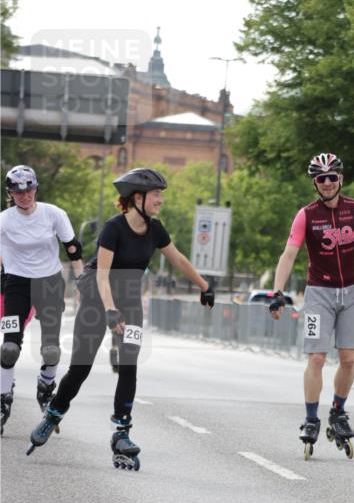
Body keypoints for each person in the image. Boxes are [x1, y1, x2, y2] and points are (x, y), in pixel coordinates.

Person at [28, 167, 215, 470]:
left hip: (128, 298)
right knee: (80, 368)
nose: (160, 200)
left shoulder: (156, 229)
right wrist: (110, 311)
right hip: (96, 297)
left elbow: (178, 258)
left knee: (129, 364)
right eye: (156, 195)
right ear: (137, 198)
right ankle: (54, 414)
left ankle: (121, 433)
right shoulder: (113, 228)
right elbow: (102, 276)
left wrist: (205, 286)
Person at [269, 152, 354, 459]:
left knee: (348, 358)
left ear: (341, 179)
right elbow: (289, 254)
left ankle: (337, 412)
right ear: (315, 183)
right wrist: (277, 292)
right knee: (317, 358)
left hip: (353, 292)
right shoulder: (306, 215)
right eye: (322, 179)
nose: (328, 183)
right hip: (318, 293)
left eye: (333, 177)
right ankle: (310, 419)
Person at [0, 165, 83, 435]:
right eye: (18, 192)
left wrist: (83, 284)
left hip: (49, 283)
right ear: (10, 193)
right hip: (16, 284)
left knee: (51, 350)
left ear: (36, 188)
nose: (25, 196)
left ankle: (45, 388)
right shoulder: (4, 220)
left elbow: (73, 249)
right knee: (9, 348)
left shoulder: (53, 214)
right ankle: (3, 398)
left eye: (29, 189)